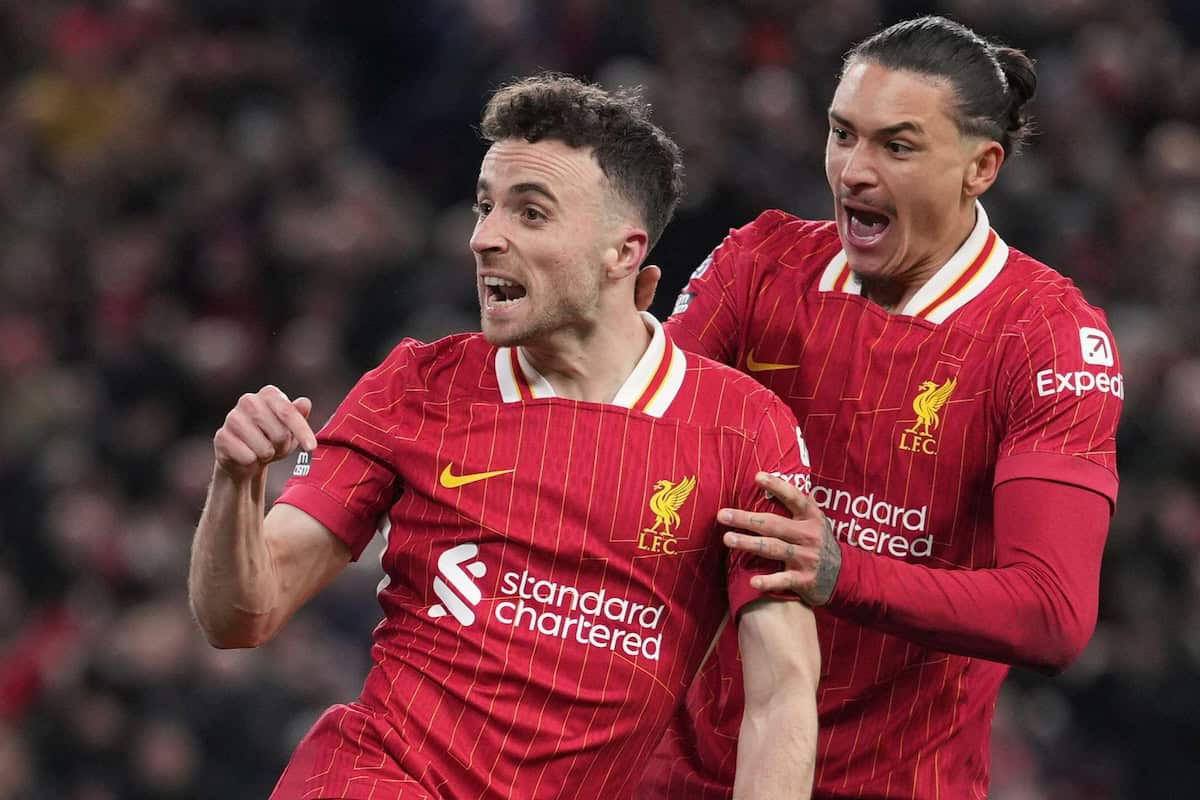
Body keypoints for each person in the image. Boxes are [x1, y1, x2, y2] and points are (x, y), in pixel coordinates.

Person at [187, 73, 820, 800]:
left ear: (622, 252)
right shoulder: (415, 387)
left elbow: (780, 694)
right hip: (375, 778)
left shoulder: (744, 429)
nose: (485, 238)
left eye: (531, 213)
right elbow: (242, 614)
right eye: (486, 206)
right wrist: (235, 482)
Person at [635, 15, 1123, 800]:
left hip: (899, 782)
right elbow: (636, 433)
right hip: (682, 769)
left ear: (981, 167)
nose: (852, 171)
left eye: (896, 146)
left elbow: (1052, 612)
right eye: (841, 134)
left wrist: (840, 571)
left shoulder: (1049, 339)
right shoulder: (762, 263)